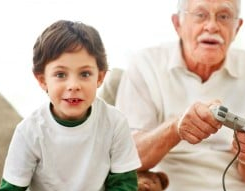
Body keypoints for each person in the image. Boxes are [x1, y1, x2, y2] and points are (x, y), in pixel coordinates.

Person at [115, 0, 245, 190]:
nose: (211, 26)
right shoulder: (145, 64)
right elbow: (127, 159)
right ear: (178, 24)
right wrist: (175, 128)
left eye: (224, 16)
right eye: (200, 15)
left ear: (237, 27)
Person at [0, 20, 141, 191]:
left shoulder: (115, 123)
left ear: (100, 77)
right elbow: (12, 188)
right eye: (60, 74)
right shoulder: (29, 131)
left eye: (85, 74)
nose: (73, 85)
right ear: (42, 80)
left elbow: (124, 184)